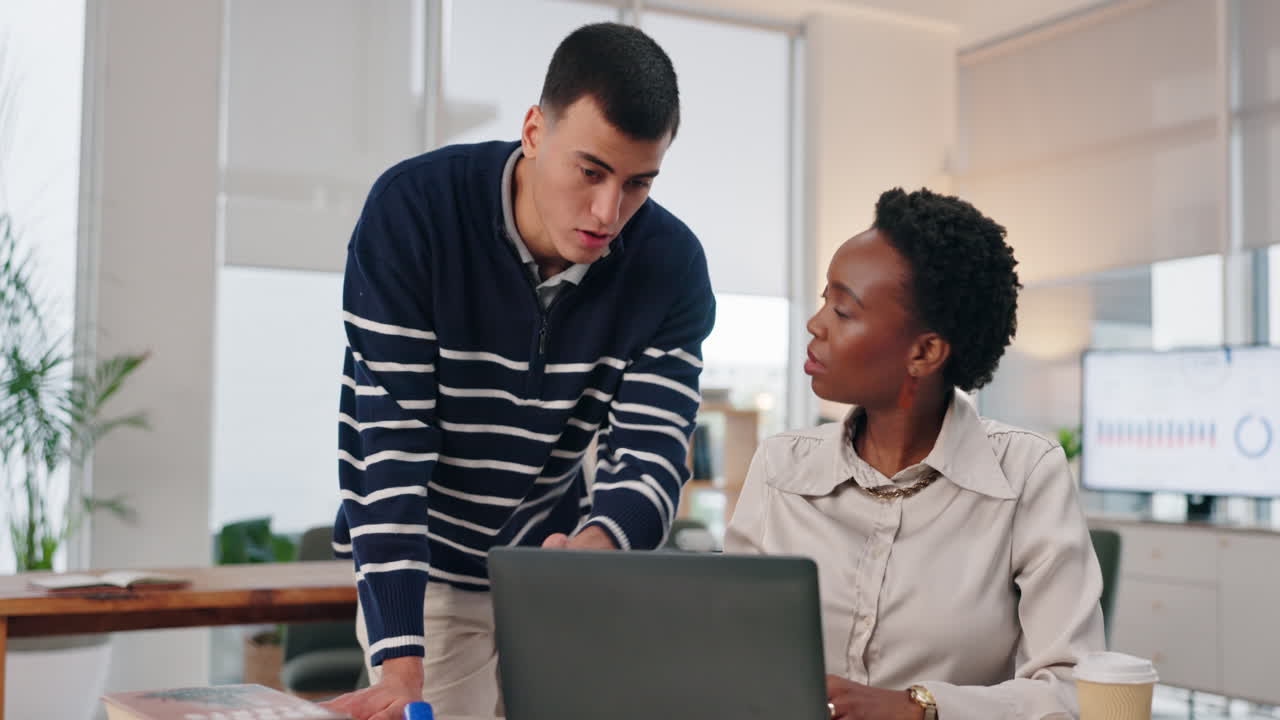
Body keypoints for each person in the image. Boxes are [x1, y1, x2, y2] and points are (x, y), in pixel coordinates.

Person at [324, 23, 715, 720]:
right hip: (429, 571)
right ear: (535, 131)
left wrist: (594, 548)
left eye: (638, 183)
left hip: (551, 567)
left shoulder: (671, 267)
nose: (608, 213)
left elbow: (653, 454)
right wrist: (401, 669)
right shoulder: (414, 213)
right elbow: (388, 450)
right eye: (590, 172)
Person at [725, 188, 1105, 720]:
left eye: (842, 310)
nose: (816, 324)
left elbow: (1073, 691)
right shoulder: (780, 467)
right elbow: (730, 652)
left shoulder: (1025, 475)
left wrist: (917, 708)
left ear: (924, 352)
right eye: (823, 300)